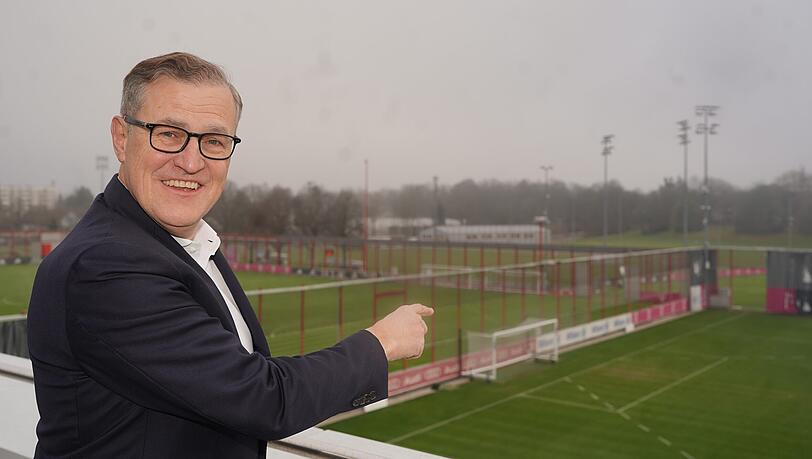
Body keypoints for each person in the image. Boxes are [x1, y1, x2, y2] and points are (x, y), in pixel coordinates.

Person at [27, 52, 433, 459]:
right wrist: (381, 343)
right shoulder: (105, 265)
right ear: (121, 136)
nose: (191, 161)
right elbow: (263, 399)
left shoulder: (187, 244)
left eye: (214, 141)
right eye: (168, 133)